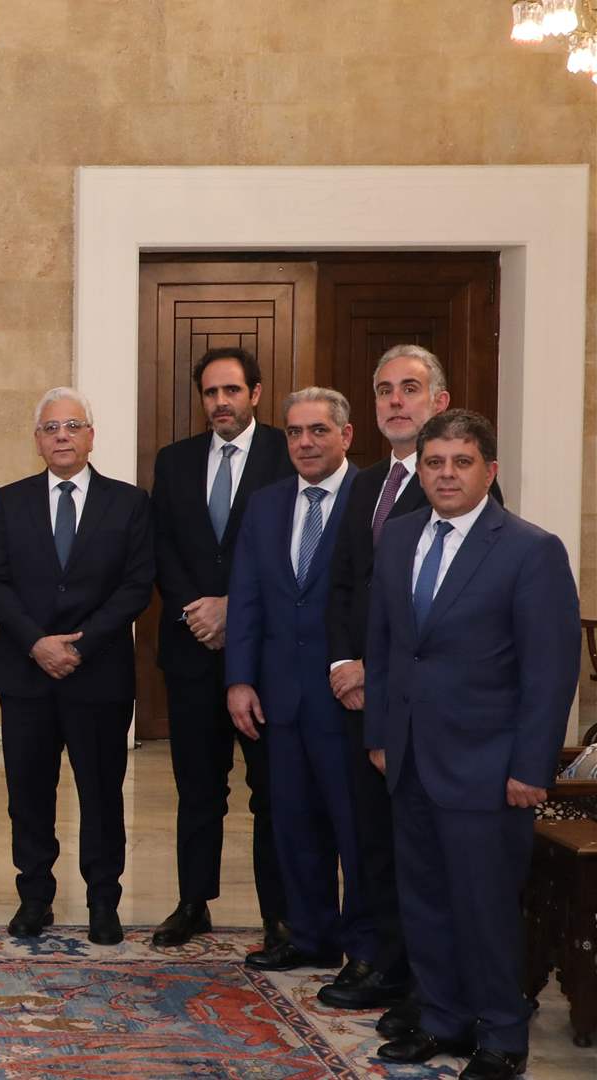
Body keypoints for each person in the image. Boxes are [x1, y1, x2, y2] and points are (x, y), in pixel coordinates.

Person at [366, 410, 579, 1080]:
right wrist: (380, 736)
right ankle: (442, 1018)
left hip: (489, 767)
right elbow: (386, 644)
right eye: (434, 462)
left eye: (462, 462)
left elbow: (550, 671)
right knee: (424, 900)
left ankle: (502, 1035)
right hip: (409, 759)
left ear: (489, 470)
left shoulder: (529, 550)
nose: (446, 474)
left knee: (485, 908)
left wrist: (531, 766)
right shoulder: (399, 538)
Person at [321, 344, 499, 1027]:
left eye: (410, 388)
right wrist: (344, 664)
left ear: (439, 402)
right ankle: (383, 960)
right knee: (373, 838)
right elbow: (345, 585)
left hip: (424, 708)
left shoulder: (466, 490)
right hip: (361, 700)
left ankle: (425, 985)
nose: (395, 401)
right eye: (384, 390)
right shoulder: (366, 483)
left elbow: (457, 612)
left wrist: (379, 671)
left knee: (423, 855)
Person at [0, 387, 153, 946]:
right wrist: (36, 643)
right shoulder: (9, 501)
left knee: (101, 794)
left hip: (98, 675)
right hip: (26, 674)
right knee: (28, 794)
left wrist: (80, 645)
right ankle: (35, 898)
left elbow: (136, 586)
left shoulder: (128, 503)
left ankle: (104, 900)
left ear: (91, 436)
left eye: (73, 426)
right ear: (37, 440)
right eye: (51, 428)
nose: (62, 436)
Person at [147, 347, 294, 949]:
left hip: (265, 656)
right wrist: (198, 610)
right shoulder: (175, 460)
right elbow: (162, 546)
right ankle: (193, 903)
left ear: (255, 393)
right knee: (197, 789)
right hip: (191, 649)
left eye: (232, 390)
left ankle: (279, 914)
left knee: (272, 791)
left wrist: (235, 608)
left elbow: (294, 550)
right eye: (210, 392)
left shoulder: (288, 453)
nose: (221, 403)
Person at [223, 387, 370, 978]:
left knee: (354, 830)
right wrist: (239, 679)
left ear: (346, 435)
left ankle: (365, 950)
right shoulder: (265, 504)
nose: (305, 443)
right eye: (294, 432)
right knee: (293, 823)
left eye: (318, 430)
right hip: (279, 696)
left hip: (347, 697)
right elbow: (247, 596)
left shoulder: (372, 498)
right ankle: (310, 936)